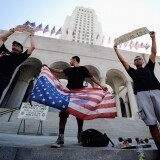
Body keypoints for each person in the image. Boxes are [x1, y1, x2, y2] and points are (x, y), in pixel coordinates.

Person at [43, 56, 108, 146]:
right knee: (63, 114)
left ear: (74, 60)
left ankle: (80, 135)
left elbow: (92, 77)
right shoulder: (69, 70)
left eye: (70, 59)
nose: (69, 61)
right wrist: (48, 68)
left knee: (80, 115)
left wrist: (101, 86)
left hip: (79, 94)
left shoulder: (83, 69)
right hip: (69, 93)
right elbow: (58, 71)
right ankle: (61, 137)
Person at [113, 31, 160, 151]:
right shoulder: (133, 72)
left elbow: (154, 52)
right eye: (136, 59)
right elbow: (123, 62)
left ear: (143, 61)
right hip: (141, 95)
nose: (138, 60)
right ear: (134, 63)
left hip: (156, 91)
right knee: (151, 122)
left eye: (139, 58)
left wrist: (153, 38)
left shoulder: (149, 66)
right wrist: (116, 50)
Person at [0, 28, 35, 100]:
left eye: (18, 45)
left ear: (21, 50)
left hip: (4, 77)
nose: (15, 45)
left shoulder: (21, 56)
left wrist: (32, 36)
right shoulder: (5, 51)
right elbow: (1, 39)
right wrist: (11, 31)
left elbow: (32, 47)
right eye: (14, 44)